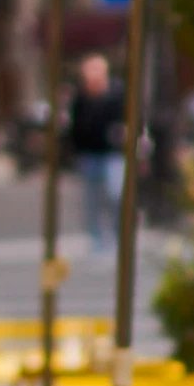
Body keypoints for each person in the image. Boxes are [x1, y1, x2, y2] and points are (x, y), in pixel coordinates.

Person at [67, 51, 127, 249]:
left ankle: (119, 234)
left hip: (112, 153)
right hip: (90, 153)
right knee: (92, 199)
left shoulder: (117, 93)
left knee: (115, 194)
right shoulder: (81, 96)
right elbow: (75, 126)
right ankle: (97, 239)